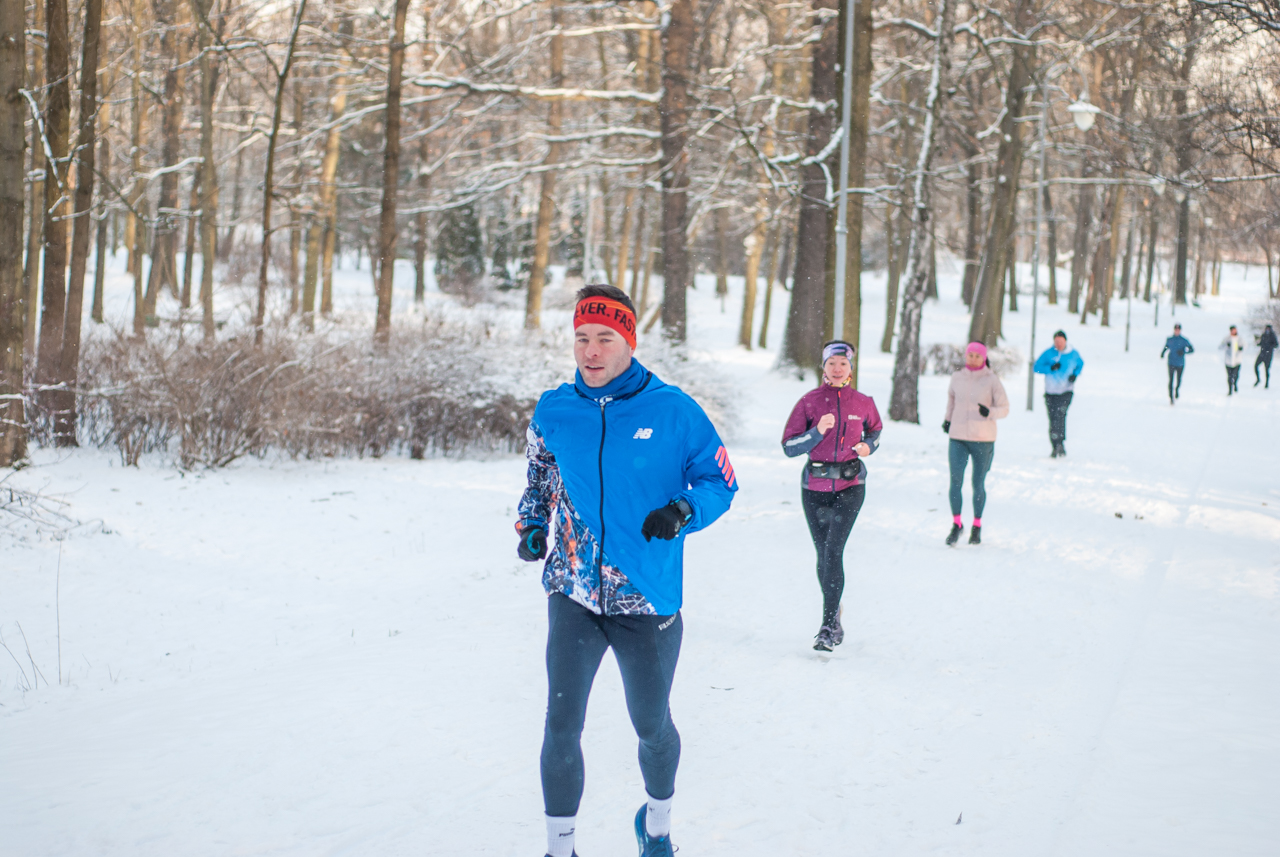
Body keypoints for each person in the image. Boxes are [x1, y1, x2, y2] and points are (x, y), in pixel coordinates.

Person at [515, 284, 738, 857]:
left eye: (605, 339)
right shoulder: (555, 408)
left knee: (651, 727)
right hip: (573, 590)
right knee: (561, 726)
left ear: (629, 341)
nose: (591, 351)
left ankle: (657, 825)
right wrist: (532, 525)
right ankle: (558, 848)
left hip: (647, 597)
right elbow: (540, 476)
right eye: (582, 338)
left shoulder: (673, 410)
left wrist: (684, 510)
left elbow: (721, 481)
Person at [780, 341, 883, 652]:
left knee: (833, 551)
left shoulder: (863, 402)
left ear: (851, 368)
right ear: (823, 368)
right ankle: (834, 613)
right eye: (831, 364)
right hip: (815, 488)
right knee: (823, 553)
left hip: (851, 487)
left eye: (843, 363)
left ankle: (827, 625)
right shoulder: (809, 402)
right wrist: (816, 434)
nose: (837, 369)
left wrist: (869, 447)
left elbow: (875, 430)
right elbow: (789, 446)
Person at [942, 342, 1009, 546]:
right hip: (958, 437)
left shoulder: (991, 380)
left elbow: (1005, 408)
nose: (973, 359)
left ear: (984, 358)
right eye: (970, 355)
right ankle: (957, 524)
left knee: (977, 484)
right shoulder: (957, 377)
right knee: (955, 482)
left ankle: (977, 525)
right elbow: (951, 401)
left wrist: (990, 413)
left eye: (977, 356)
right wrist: (947, 419)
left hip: (983, 439)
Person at [1033, 330, 1084, 457]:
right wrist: (1049, 368)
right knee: (1053, 417)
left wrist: (1074, 375)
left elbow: (1080, 364)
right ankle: (1055, 444)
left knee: (1060, 415)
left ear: (1065, 341)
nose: (1058, 344)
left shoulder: (1073, 354)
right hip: (1051, 392)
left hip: (1066, 391)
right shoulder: (1048, 354)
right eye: (1056, 342)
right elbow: (1036, 367)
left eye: (1061, 342)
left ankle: (1060, 442)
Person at [1161, 323, 1194, 404]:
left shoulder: (1184, 340)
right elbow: (1166, 346)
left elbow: (1191, 349)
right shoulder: (1170, 339)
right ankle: (1171, 397)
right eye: (1176, 329)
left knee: (1178, 379)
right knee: (1171, 380)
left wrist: (1183, 352)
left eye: (1178, 330)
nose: (1177, 331)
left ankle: (1177, 389)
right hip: (1171, 362)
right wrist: (1163, 353)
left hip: (1180, 363)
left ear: (1180, 330)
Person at [1220, 325, 1245, 395]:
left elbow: (1245, 346)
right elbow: (1220, 346)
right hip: (1228, 361)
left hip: (1237, 361)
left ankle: (1235, 384)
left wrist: (1241, 348)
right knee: (1229, 376)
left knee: (1235, 375)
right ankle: (1230, 390)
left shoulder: (1240, 339)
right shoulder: (1227, 338)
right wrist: (1226, 345)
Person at [1255, 323, 1276, 388]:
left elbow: (1276, 344)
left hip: (1268, 355)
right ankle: (1258, 379)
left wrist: (1269, 346)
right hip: (1262, 353)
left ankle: (1267, 383)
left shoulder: (1272, 336)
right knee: (1256, 366)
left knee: (1266, 369)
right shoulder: (1263, 335)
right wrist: (1256, 340)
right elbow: (1260, 343)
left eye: (1268, 329)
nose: (1267, 330)